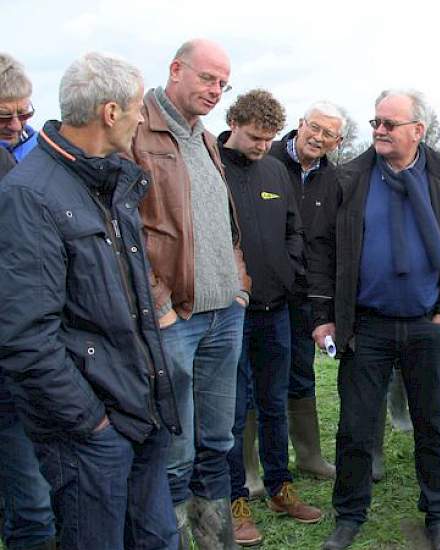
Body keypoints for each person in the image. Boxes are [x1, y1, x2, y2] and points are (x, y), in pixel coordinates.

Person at [0, 52, 181, 550]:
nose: (142, 119)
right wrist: (90, 424)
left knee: (159, 540)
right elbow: (24, 337)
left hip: (137, 412)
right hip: (92, 432)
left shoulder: (109, 181)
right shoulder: (30, 195)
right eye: (137, 108)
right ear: (110, 113)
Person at [310, 89, 440, 550]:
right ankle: (349, 515)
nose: (380, 131)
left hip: (427, 325)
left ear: (418, 130)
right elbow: (324, 250)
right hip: (366, 325)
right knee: (355, 427)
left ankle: (439, 516)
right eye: (376, 123)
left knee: (433, 424)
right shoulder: (350, 177)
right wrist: (324, 316)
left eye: (390, 124)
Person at [130, 38, 251, 548]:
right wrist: (158, 302)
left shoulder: (204, 137)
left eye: (223, 83)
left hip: (225, 314)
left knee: (218, 442)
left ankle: (215, 540)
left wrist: (239, 284)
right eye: (208, 79)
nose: (216, 91)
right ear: (176, 69)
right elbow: (127, 229)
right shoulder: (137, 133)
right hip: (176, 319)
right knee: (175, 451)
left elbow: (223, 220)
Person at [220, 89, 322, 546]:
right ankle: (235, 498)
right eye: (255, 137)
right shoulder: (212, 166)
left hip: (276, 309)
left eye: (268, 138)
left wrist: (290, 271)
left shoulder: (276, 169)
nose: (263, 145)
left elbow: (292, 228)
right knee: (233, 408)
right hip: (228, 312)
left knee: (274, 401)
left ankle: (281, 486)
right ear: (234, 123)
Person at [268, 101, 346, 483]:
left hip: (305, 294)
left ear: (337, 141)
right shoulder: (266, 161)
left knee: (301, 374)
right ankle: (254, 468)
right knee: (255, 379)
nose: (317, 137)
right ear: (299, 124)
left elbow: (328, 247)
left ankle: (310, 456)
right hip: (262, 292)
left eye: (328, 133)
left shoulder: (336, 182)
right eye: (313, 127)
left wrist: (322, 306)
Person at [0, 52, 55, 550]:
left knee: (41, 488)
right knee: (30, 502)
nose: (17, 125)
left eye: (24, 113)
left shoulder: (42, 152)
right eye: (3, 118)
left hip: (41, 340)